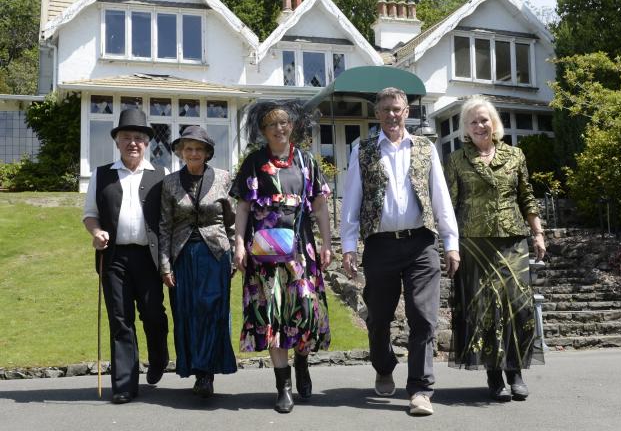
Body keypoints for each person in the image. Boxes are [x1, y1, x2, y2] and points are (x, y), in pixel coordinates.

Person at [340, 87, 460, 417]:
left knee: (423, 316)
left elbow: (441, 198)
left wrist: (451, 243)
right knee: (379, 317)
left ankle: (421, 388)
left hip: (421, 243)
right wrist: (348, 246)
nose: (392, 115)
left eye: (398, 109)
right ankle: (383, 364)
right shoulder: (362, 150)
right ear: (377, 114)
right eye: (386, 109)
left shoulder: (425, 148)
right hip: (379, 246)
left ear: (407, 111)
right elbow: (351, 199)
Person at [230, 100, 332, 414]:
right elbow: (244, 207)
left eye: (284, 122)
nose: (279, 128)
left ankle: (302, 363)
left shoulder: (306, 161)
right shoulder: (253, 162)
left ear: (293, 126)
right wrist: (238, 243)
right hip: (263, 253)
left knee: (303, 312)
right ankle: (283, 386)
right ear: (263, 130)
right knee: (271, 315)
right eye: (272, 124)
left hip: (300, 249)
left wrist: (327, 242)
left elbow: (320, 205)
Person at [445, 95, 546, 402]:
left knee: (518, 305)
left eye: (484, 119)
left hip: (512, 239)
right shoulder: (456, 160)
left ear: (494, 123)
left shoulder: (515, 155)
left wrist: (538, 233)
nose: (479, 125)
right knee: (484, 308)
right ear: (466, 127)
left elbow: (526, 196)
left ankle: (515, 372)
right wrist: (450, 245)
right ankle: (493, 374)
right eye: (473, 121)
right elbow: (449, 205)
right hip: (474, 242)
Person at [83, 108, 169, 404]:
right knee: (121, 320)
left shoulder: (161, 174)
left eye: (138, 138)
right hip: (114, 258)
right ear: (117, 142)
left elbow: (168, 220)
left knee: (154, 316)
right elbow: (90, 215)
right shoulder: (101, 174)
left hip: (148, 258)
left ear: (147, 143)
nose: (133, 142)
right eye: (126, 137)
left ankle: (158, 357)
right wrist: (96, 233)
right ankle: (124, 384)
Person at [159, 126, 237, 397]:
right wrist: (165, 266)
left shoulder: (224, 178)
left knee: (212, 311)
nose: (193, 153)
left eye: (198, 149)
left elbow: (231, 221)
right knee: (187, 314)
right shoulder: (169, 183)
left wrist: (235, 256)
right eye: (188, 148)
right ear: (181, 152)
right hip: (182, 256)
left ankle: (207, 373)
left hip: (215, 254)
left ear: (207, 153)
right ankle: (195, 369)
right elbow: (165, 226)